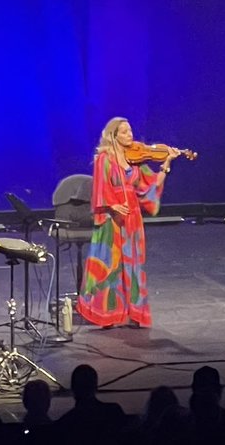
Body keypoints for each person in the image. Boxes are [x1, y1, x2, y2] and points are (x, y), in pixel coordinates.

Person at [77, 117, 178, 328]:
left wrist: (167, 162)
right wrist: (113, 205)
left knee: (133, 264)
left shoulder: (135, 159)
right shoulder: (104, 159)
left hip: (132, 217)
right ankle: (107, 314)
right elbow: (100, 188)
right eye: (124, 132)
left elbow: (149, 185)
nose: (129, 135)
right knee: (109, 265)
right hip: (111, 219)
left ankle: (134, 313)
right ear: (113, 136)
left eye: (130, 130)